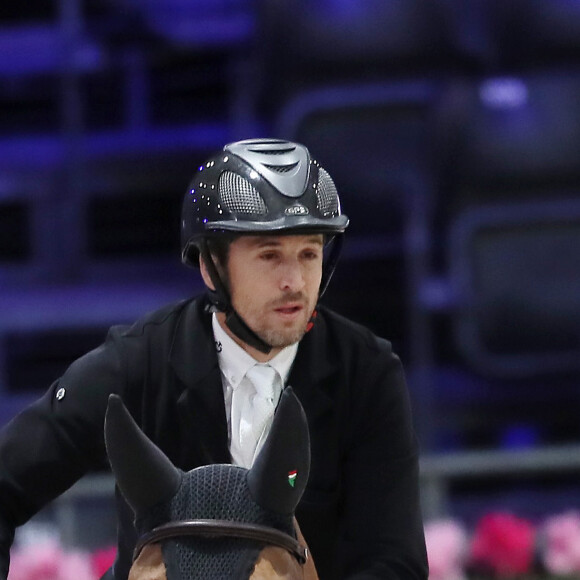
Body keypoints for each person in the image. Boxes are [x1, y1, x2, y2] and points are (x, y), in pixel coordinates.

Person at [0, 138, 428, 579]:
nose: (295, 281)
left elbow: (396, 563)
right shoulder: (136, 362)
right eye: (269, 256)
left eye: (309, 253)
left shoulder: (367, 372)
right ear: (210, 266)